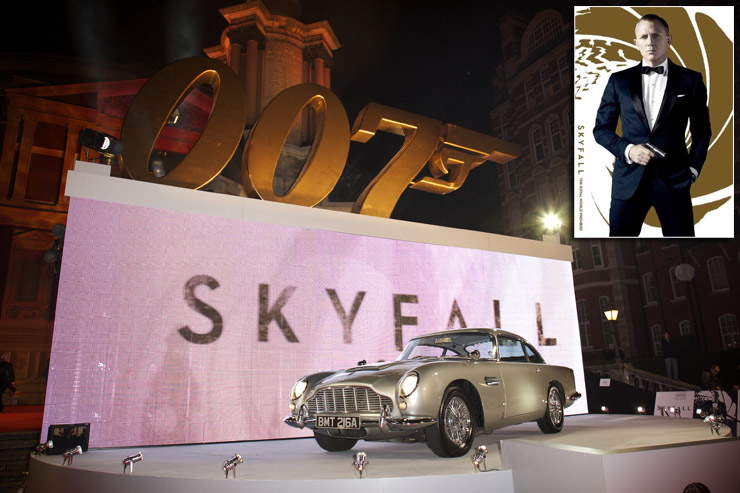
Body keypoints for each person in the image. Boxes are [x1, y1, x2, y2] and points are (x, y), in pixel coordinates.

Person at [593, 13, 711, 237]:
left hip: (675, 180)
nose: (650, 41)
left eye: (656, 35)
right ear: (635, 42)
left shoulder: (691, 80)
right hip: (628, 181)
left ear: (668, 39)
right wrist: (628, 150)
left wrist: (693, 170)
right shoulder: (618, 81)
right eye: (644, 36)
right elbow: (601, 129)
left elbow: (702, 131)